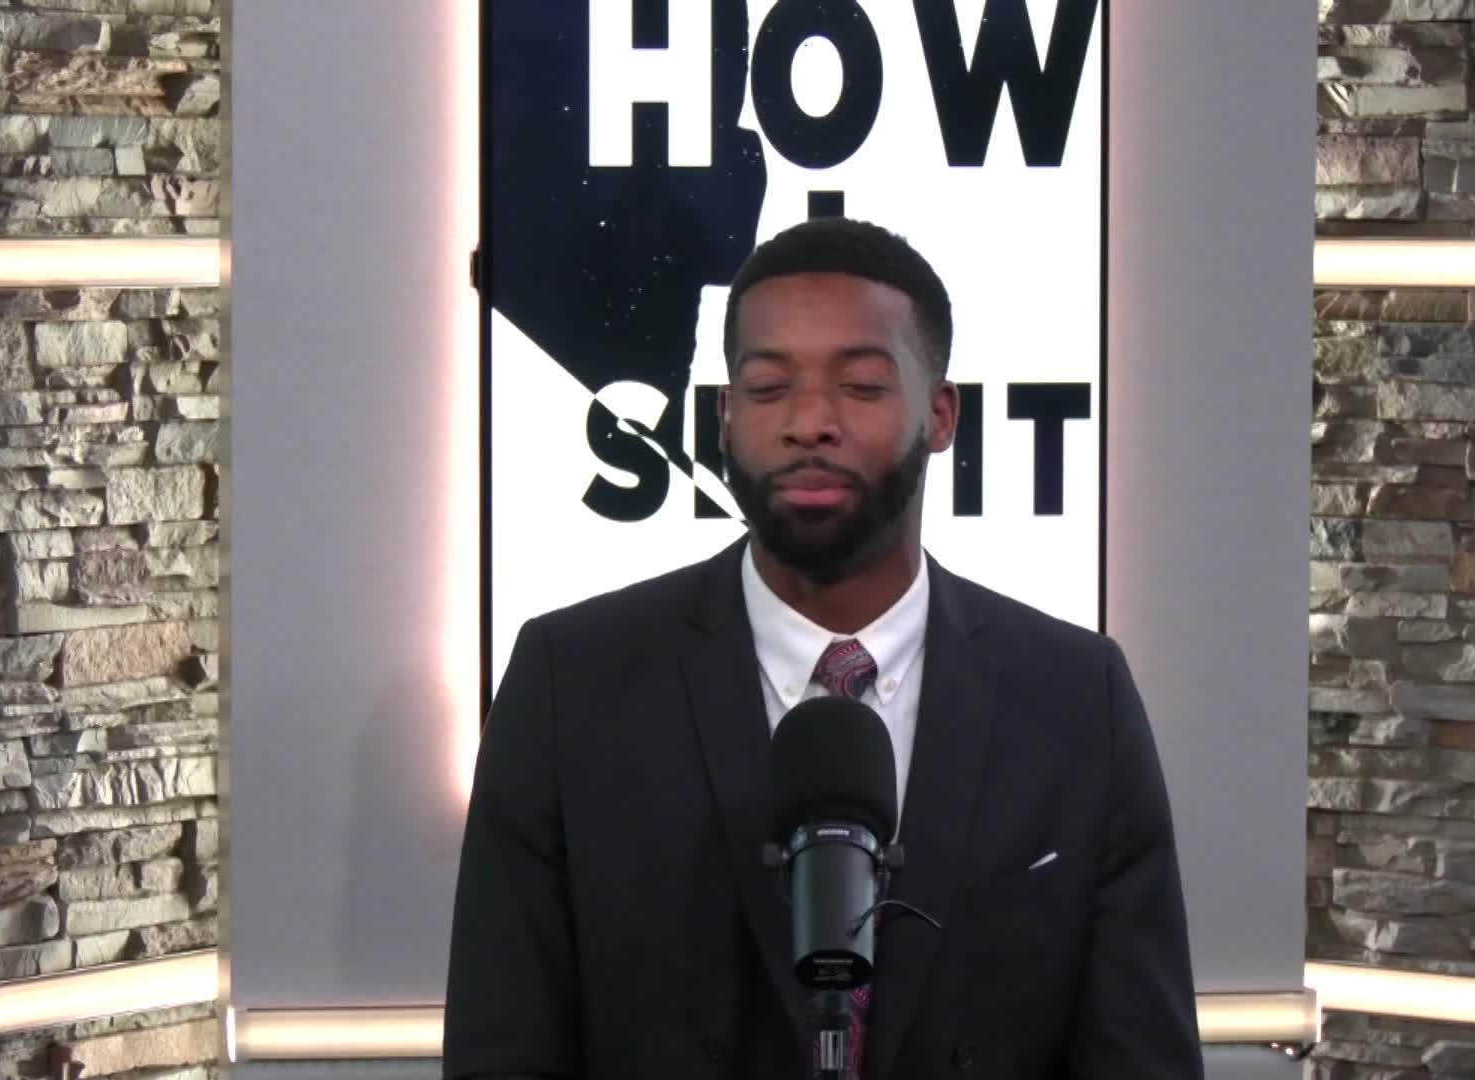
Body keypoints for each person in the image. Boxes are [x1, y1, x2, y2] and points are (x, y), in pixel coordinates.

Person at [444, 218, 1203, 1079]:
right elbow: (501, 1051)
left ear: (941, 414)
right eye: (769, 388)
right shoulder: (572, 684)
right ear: (725, 417)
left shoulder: (1076, 698)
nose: (810, 422)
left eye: (862, 386)